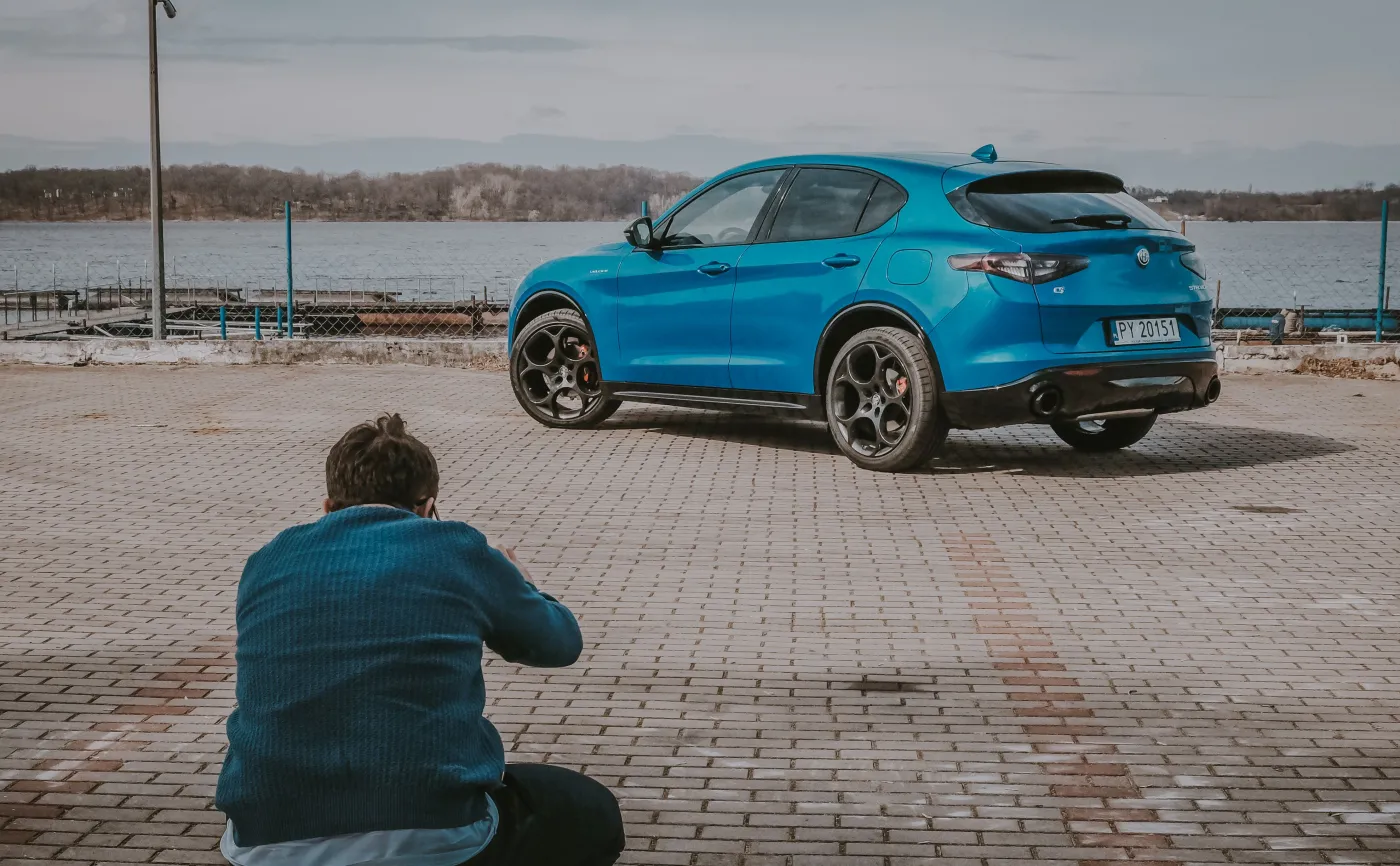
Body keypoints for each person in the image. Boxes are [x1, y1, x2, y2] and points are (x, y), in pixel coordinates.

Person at [215, 413, 625, 866]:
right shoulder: (457, 548)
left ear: (328, 505)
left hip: (266, 836)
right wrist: (524, 586)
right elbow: (559, 644)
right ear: (428, 505)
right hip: (430, 825)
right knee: (589, 810)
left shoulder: (267, 561)